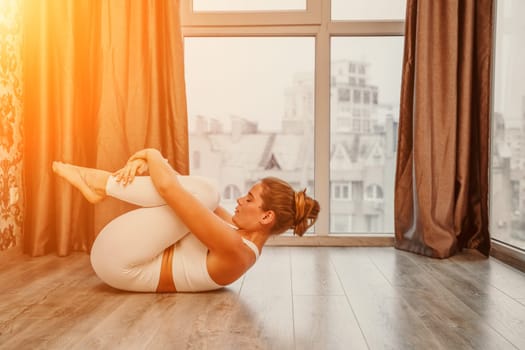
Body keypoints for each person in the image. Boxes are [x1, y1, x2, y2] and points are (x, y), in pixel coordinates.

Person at [52, 148, 320, 293]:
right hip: (121, 255)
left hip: (119, 263)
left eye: (249, 199)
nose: (239, 200)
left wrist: (151, 153)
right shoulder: (235, 234)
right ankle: (102, 185)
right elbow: (182, 192)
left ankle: (100, 183)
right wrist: (149, 163)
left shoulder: (236, 250)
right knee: (206, 194)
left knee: (208, 192)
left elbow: (172, 190)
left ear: (266, 216)